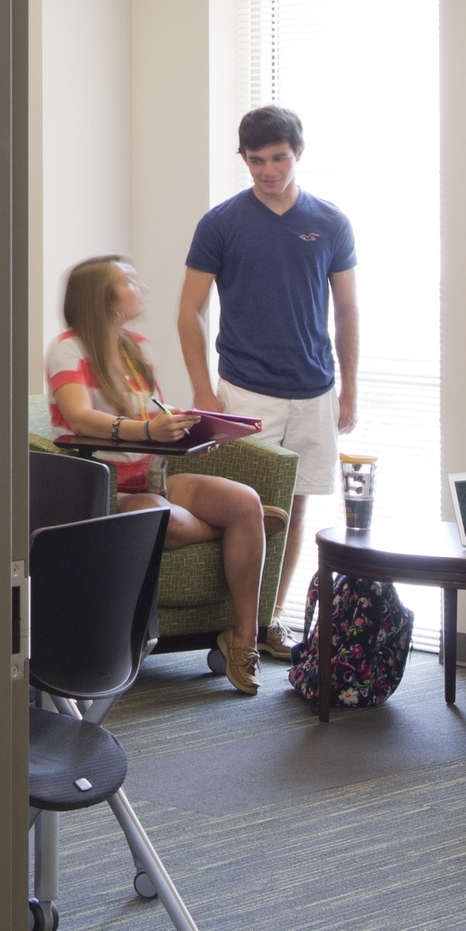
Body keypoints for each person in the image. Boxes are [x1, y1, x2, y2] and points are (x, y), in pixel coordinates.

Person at [47, 254, 282, 694]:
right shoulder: (69, 348)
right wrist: (147, 429)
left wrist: (193, 428)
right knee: (162, 516)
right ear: (103, 296)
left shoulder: (135, 347)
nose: (141, 288)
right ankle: (239, 531)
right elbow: (79, 418)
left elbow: (153, 414)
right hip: (102, 485)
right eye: (129, 281)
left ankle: (243, 641)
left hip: (152, 476)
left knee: (244, 501)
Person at [176, 105, 357, 662]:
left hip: (315, 388)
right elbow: (190, 310)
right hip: (246, 389)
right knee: (248, 505)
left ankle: (268, 621)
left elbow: (347, 311)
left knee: (297, 507)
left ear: (297, 154)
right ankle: (238, 629)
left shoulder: (329, 222)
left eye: (278, 158)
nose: (268, 170)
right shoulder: (221, 223)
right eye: (256, 160)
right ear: (245, 160)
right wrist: (203, 391)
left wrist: (350, 389)